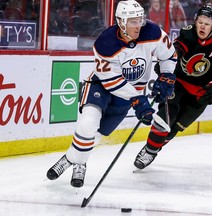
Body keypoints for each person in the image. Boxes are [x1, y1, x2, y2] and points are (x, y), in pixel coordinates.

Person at [46, 0, 176, 187]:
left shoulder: (152, 32)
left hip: (128, 95)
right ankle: (80, 164)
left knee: (97, 135)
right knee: (88, 123)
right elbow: (112, 81)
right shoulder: (106, 43)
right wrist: (137, 99)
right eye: (132, 21)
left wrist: (167, 74)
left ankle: (70, 159)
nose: (138, 25)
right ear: (121, 22)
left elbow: (169, 55)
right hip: (101, 86)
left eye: (140, 19)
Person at [134, 4, 212, 170]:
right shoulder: (187, 33)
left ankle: (154, 148)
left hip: (201, 94)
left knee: (177, 126)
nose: (202, 26)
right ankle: (149, 150)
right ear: (196, 21)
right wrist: (167, 63)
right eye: (200, 22)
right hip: (178, 84)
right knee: (166, 116)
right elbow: (176, 51)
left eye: (206, 24)